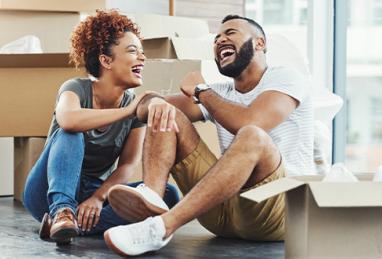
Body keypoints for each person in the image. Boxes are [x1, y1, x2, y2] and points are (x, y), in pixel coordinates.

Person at [104, 14, 314, 256]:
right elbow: (142, 110)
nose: (220, 40)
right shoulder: (219, 92)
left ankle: (161, 228)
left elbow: (250, 122)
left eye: (231, 33)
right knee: (166, 111)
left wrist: (202, 90)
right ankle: (152, 195)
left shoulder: (286, 78)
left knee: (252, 135)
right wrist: (154, 102)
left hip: (279, 211)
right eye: (217, 38)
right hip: (221, 214)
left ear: (260, 43)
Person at [22, 10, 179, 245]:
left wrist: (98, 198)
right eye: (133, 51)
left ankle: (70, 226)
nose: (142, 58)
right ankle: (62, 212)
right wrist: (129, 111)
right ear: (106, 60)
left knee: (167, 194)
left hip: (93, 190)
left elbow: (127, 165)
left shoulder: (133, 106)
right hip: (48, 190)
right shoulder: (76, 88)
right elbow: (68, 120)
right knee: (70, 134)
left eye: (142, 52)